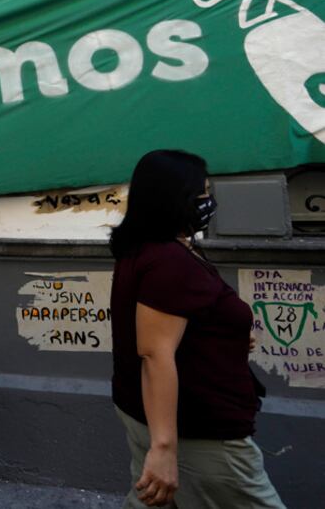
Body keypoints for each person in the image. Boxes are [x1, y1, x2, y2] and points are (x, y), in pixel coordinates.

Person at [109, 150, 284, 508]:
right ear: (176, 199)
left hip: (158, 415)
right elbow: (155, 352)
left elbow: (180, 323)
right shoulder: (169, 261)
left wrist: (229, 338)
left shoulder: (152, 250)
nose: (209, 202)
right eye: (202, 194)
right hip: (199, 429)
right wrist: (164, 448)